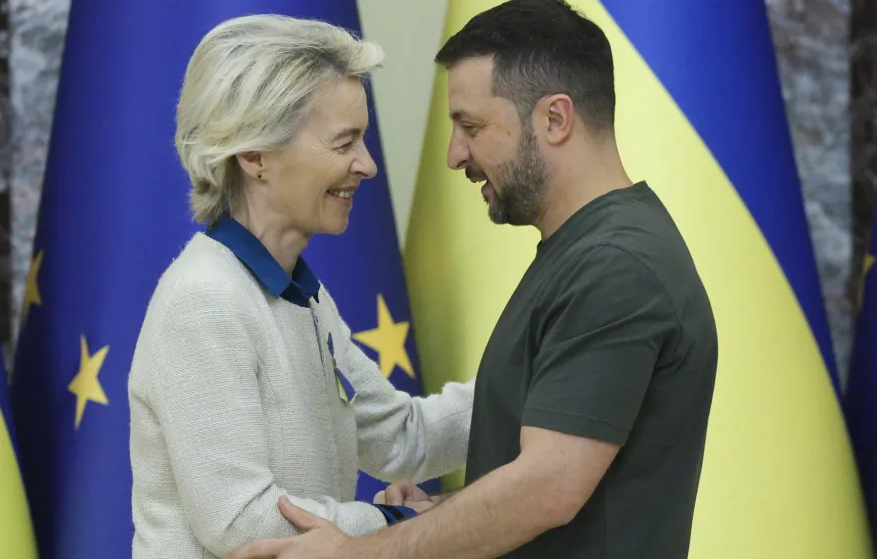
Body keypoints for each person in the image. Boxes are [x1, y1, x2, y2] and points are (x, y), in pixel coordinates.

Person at [228, 1, 719, 558]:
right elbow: (551, 482)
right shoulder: (583, 254)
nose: (454, 153)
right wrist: (428, 516)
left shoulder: (615, 266)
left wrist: (356, 553)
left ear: (554, 119)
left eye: (471, 126)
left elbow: (545, 491)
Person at [127, 14, 474, 559]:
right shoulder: (205, 300)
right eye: (345, 143)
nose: (367, 165)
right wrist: (399, 520)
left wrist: (538, 377)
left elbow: (404, 437)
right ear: (254, 155)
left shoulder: (300, 297)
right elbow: (245, 521)